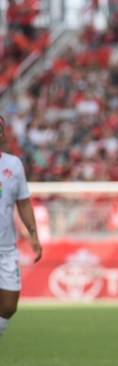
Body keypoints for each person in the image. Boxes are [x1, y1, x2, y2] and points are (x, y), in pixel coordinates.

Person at [0, 115, 42, 337]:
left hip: (6, 248)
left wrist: (33, 234)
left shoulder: (13, 164)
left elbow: (23, 201)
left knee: (9, 305)